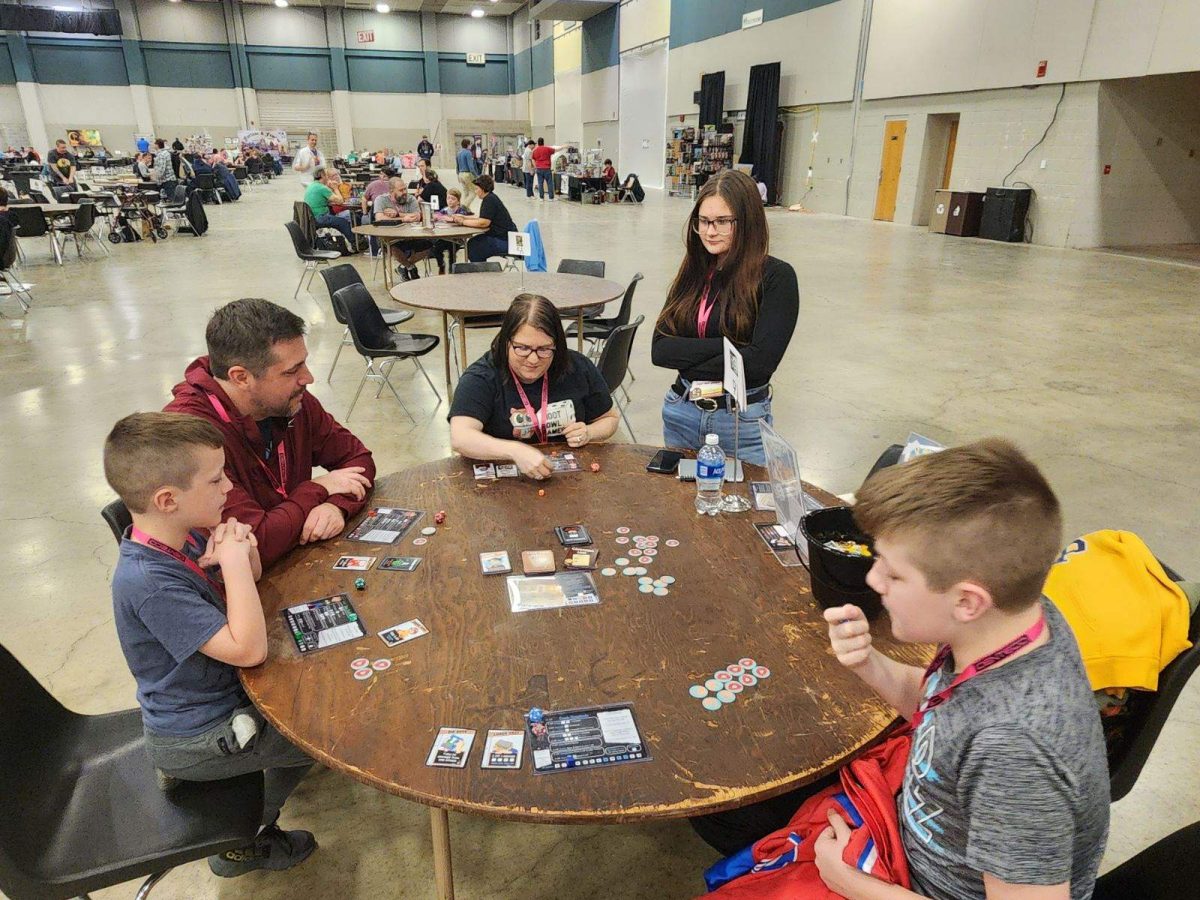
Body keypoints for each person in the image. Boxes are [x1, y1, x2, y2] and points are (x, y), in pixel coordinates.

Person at [812, 439, 1110, 900]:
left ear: (967, 602)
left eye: (893, 574)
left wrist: (851, 883)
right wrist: (870, 663)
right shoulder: (1022, 617)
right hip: (910, 834)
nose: (873, 581)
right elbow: (944, 711)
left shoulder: (1013, 751)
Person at [103, 411, 317, 877]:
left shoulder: (184, 529)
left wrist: (244, 551)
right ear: (167, 499)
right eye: (217, 480)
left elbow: (252, 582)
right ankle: (245, 838)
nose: (228, 490)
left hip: (223, 697)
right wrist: (235, 562)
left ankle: (260, 790)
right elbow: (248, 650)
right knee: (324, 736)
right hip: (198, 734)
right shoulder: (148, 581)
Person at [163, 298, 376, 567]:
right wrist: (318, 488)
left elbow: (358, 459)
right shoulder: (189, 436)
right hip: (236, 589)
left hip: (295, 560)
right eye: (291, 371)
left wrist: (335, 505)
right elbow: (254, 545)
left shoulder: (291, 401)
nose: (308, 378)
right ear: (241, 377)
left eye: (303, 363)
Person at [651, 169, 798, 466]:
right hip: (682, 412)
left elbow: (759, 364)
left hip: (740, 422)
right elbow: (660, 350)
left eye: (722, 222)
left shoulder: (776, 278)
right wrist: (729, 347)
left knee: (743, 510)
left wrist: (690, 352)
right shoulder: (693, 273)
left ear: (747, 222)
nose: (710, 231)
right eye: (703, 222)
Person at [449, 293, 619, 479]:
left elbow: (610, 418)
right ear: (507, 342)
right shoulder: (482, 376)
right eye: (522, 348)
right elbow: (461, 437)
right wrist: (514, 451)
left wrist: (589, 432)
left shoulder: (577, 367)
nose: (533, 359)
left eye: (544, 349)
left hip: (567, 477)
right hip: (503, 484)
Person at [445, 175, 516, 264]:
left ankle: (480, 272)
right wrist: (464, 217)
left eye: (477, 189)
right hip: (504, 237)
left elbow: (483, 223)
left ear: (482, 189)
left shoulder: (489, 200)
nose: (476, 191)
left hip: (505, 241)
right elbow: (482, 217)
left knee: (474, 247)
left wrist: (462, 222)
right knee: (473, 243)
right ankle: (480, 268)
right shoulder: (490, 198)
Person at [374, 177, 430, 282]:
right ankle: (410, 267)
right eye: (401, 190)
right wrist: (404, 219)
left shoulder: (411, 199)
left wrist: (397, 214)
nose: (404, 192)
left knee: (430, 244)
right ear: (391, 191)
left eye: (405, 189)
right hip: (390, 236)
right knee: (392, 244)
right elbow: (380, 218)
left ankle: (403, 266)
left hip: (411, 235)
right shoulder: (381, 200)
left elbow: (417, 216)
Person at [304, 167, 357, 249]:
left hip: (311, 217)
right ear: (322, 175)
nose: (328, 178)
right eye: (327, 175)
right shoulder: (322, 188)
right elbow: (340, 201)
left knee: (341, 218)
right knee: (343, 222)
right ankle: (355, 243)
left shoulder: (312, 186)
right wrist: (335, 188)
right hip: (320, 217)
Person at [431, 187, 470, 273]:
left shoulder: (461, 211)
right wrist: (437, 217)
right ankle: (441, 264)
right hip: (445, 236)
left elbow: (458, 219)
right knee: (436, 248)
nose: (450, 201)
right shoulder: (445, 210)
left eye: (453, 199)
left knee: (452, 251)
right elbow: (436, 215)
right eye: (448, 198)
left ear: (458, 201)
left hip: (456, 238)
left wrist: (448, 218)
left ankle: (452, 269)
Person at [456, 138, 480, 212]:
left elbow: (457, 166)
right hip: (467, 174)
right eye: (470, 144)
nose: (470, 146)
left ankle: (466, 209)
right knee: (474, 191)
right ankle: (464, 206)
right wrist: (477, 176)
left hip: (460, 174)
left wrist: (458, 174)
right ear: (467, 145)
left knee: (466, 192)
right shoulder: (468, 153)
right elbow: (471, 167)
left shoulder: (458, 153)